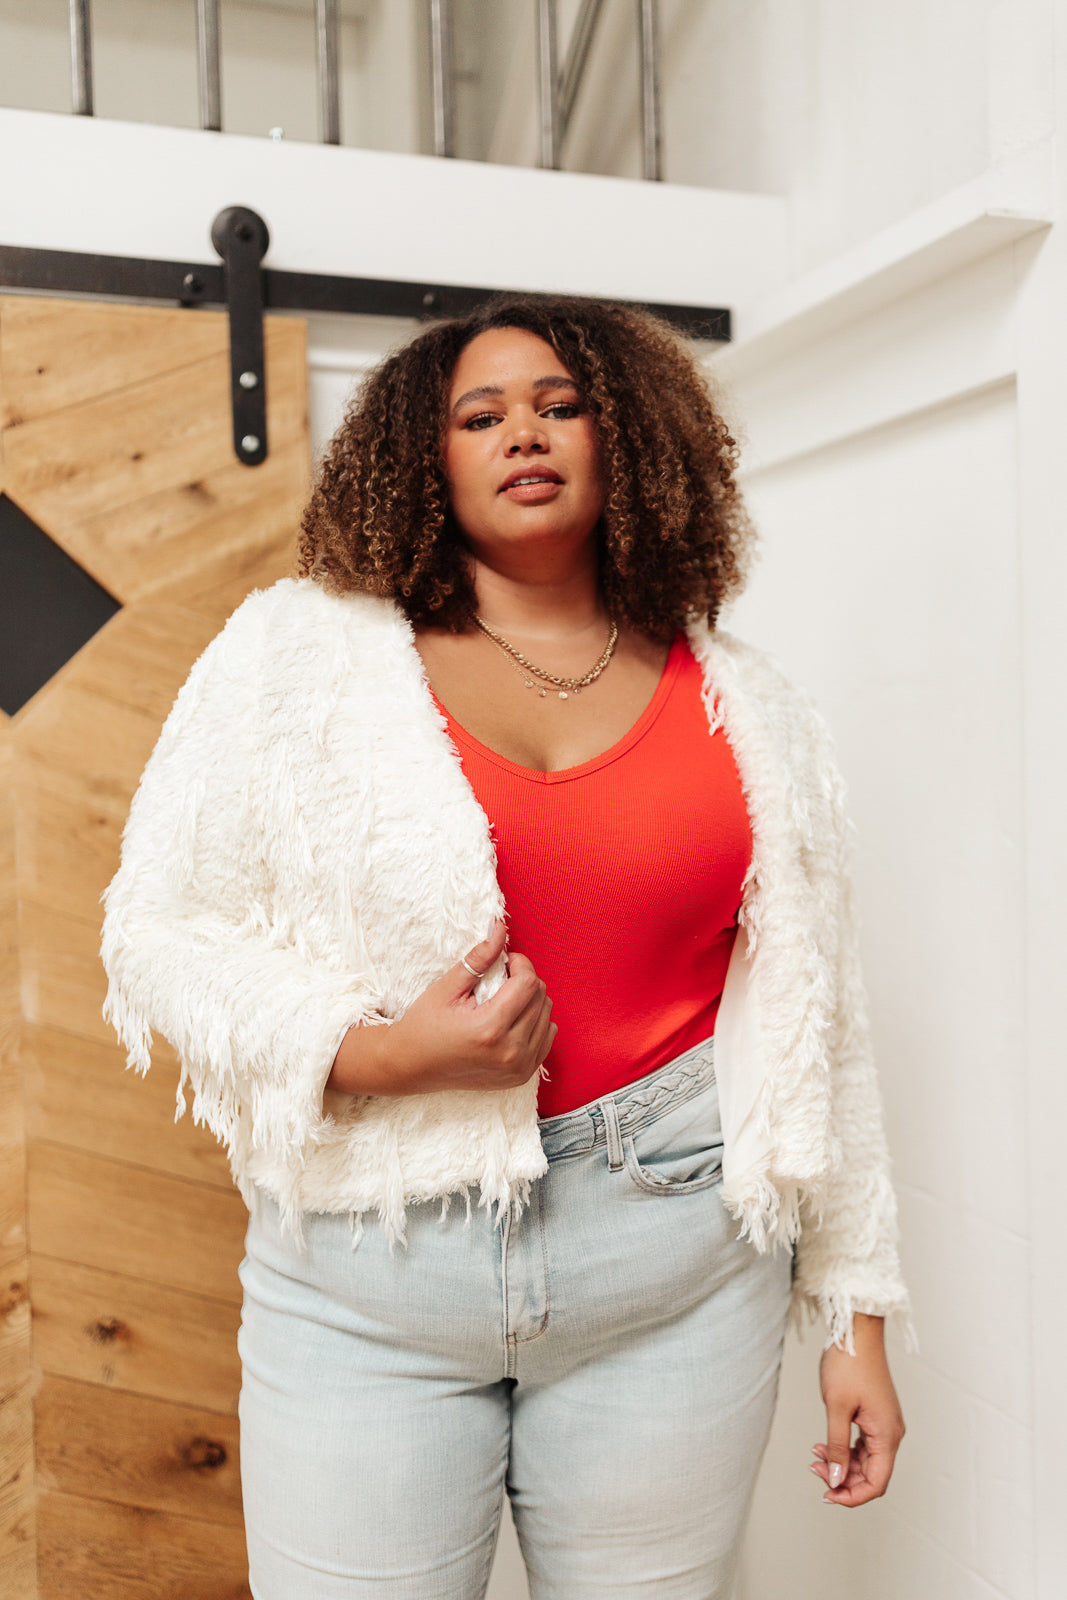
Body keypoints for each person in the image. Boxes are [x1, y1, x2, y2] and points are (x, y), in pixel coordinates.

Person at [100, 293, 912, 1600]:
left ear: (626, 437)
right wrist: (380, 1054)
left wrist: (854, 1313)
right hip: (369, 1284)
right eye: (478, 416)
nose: (523, 433)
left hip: (679, 1277)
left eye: (559, 405)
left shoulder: (750, 704)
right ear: (421, 457)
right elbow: (158, 928)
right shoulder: (294, 658)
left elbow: (821, 1021)